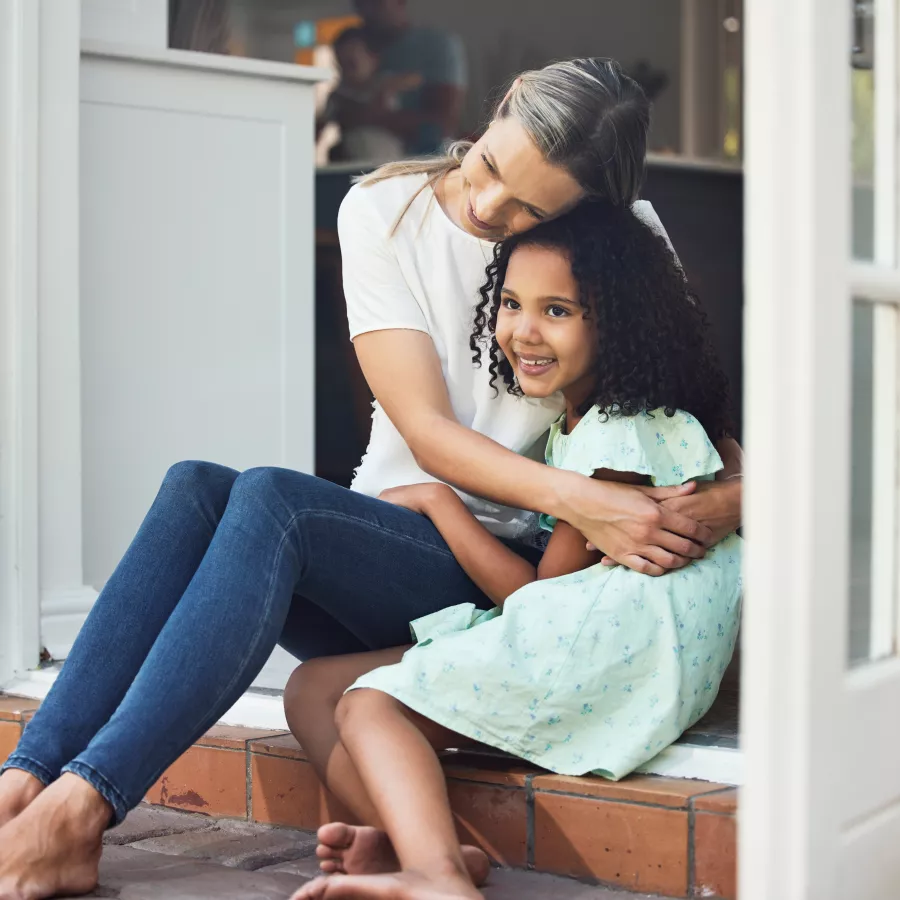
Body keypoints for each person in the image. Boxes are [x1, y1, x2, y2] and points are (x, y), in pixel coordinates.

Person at [0, 58, 741, 900]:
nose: (491, 207)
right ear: (498, 108)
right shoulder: (385, 211)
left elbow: (688, 407)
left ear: (589, 217)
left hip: (511, 574)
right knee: (196, 488)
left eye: (532, 208)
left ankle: (81, 812)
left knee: (273, 501)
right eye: (492, 166)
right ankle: (26, 782)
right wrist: (592, 502)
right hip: (391, 551)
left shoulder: (620, 241)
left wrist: (725, 502)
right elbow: (426, 432)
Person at [284, 200, 742, 900]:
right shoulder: (611, 422)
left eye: (557, 311)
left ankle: (438, 878)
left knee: (370, 707)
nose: (523, 330)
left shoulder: (617, 439)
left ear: (615, 326)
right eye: (511, 303)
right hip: (596, 645)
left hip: (611, 665)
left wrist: (439, 501)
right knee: (312, 687)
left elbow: (534, 597)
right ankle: (425, 852)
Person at [348, 0, 467, 155]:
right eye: (360, 4)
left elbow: (444, 122)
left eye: (376, 3)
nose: (367, 11)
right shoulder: (355, 47)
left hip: (427, 160)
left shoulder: (436, 45)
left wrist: (370, 117)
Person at [318, 27, 423, 164]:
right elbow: (317, 128)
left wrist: (385, 90)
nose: (346, 73)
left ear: (374, 59)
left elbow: (416, 79)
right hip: (354, 163)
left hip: (391, 161)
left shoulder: (387, 84)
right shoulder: (338, 97)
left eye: (352, 64)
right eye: (341, 66)